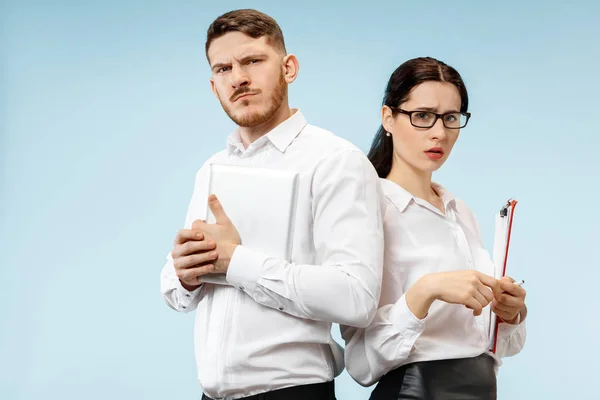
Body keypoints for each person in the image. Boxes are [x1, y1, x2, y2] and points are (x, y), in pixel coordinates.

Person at [159, 9, 385, 400]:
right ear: (214, 86)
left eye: (251, 61)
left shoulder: (335, 161)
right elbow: (175, 294)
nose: (238, 78)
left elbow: (356, 296)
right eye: (224, 68)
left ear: (289, 68)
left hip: (293, 392)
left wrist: (237, 262)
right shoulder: (212, 169)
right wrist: (184, 274)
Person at [341, 57, 527, 399]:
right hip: (415, 391)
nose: (439, 132)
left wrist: (510, 313)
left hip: (480, 386)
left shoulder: (460, 212)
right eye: (422, 116)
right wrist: (425, 291)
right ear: (388, 118)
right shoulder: (368, 209)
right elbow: (361, 362)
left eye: (451, 118)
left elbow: (488, 343)